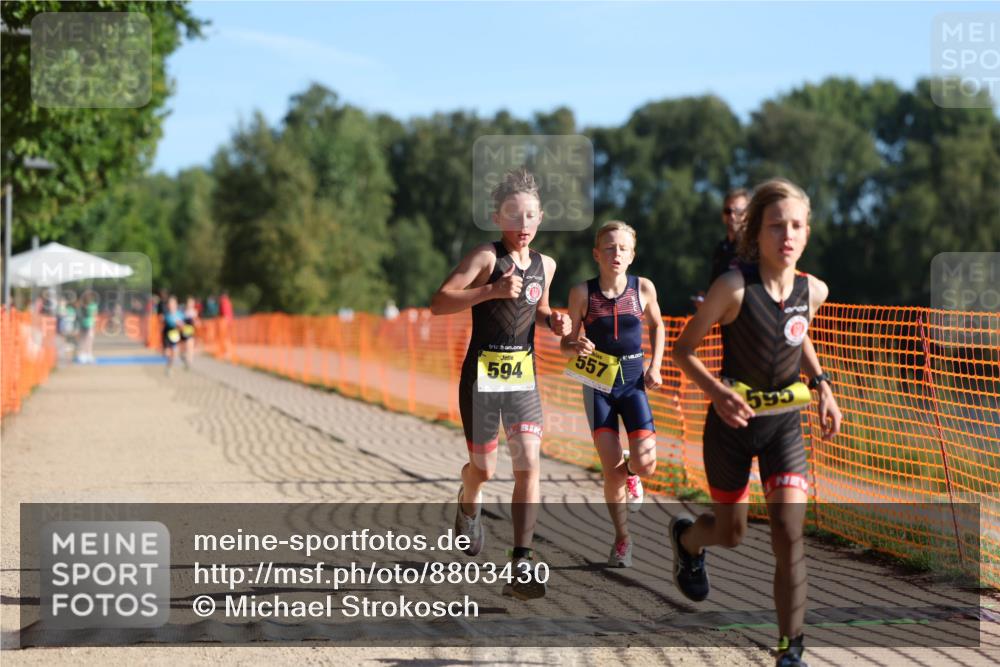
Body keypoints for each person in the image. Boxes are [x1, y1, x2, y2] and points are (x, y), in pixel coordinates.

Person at [669, 178, 842, 667]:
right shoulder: (733, 287)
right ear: (757, 234)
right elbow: (683, 351)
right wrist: (718, 393)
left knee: (789, 533)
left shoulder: (815, 290)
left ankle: (791, 650)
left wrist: (824, 385)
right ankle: (686, 540)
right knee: (731, 534)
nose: (787, 235)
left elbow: (797, 336)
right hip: (730, 428)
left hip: (783, 427)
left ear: (807, 232)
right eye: (776, 226)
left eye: (796, 226)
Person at [430, 167, 571, 600]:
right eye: (513, 216)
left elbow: (540, 309)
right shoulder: (487, 258)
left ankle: (521, 560)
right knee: (485, 470)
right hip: (481, 379)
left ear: (541, 217)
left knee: (529, 461)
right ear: (498, 217)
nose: (522, 226)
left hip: (522, 378)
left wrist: (556, 320)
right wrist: (489, 292)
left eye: (530, 216)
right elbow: (439, 302)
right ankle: (467, 500)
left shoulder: (546, 264)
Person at [560, 221, 664, 567]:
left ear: (632, 255)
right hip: (598, 387)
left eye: (622, 248)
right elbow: (566, 344)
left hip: (634, 383)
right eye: (608, 247)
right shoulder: (581, 293)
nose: (615, 253)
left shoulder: (643, 288)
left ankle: (634, 473)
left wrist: (656, 366)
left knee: (645, 463)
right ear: (596, 254)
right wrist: (575, 343)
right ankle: (622, 539)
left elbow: (658, 326)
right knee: (611, 470)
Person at [693, 189, 750, 310]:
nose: (732, 216)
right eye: (728, 211)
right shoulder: (721, 249)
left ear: (747, 215)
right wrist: (706, 299)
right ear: (723, 215)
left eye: (738, 211)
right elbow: (715, 287)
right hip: (724, 322)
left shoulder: (755, 247)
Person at [162, 296, 186, 376]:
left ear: (176, 305)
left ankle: (169, 368)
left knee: (174, 353)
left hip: (175, 335)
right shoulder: (167, 315)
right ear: (168, 305)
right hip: (166, 335)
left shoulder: (180, 314)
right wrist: (178, 324)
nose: (171, 306)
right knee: (167, 353)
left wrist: (183, 325)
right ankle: (169, 364)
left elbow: (184, 323)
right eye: (170, 304)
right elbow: (171, 322)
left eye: (173, 304)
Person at [181, 296, 199, 369]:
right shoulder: (184, 312)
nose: (190, 304)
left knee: (190, 346)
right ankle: (185, 358)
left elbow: (196, 321)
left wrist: (196, 322)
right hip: (185, 331)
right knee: (185, 347)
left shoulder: (194, 312)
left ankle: (189, 361)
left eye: (191, 303)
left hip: (191, 331)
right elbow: (181, 322)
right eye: (189, 303)